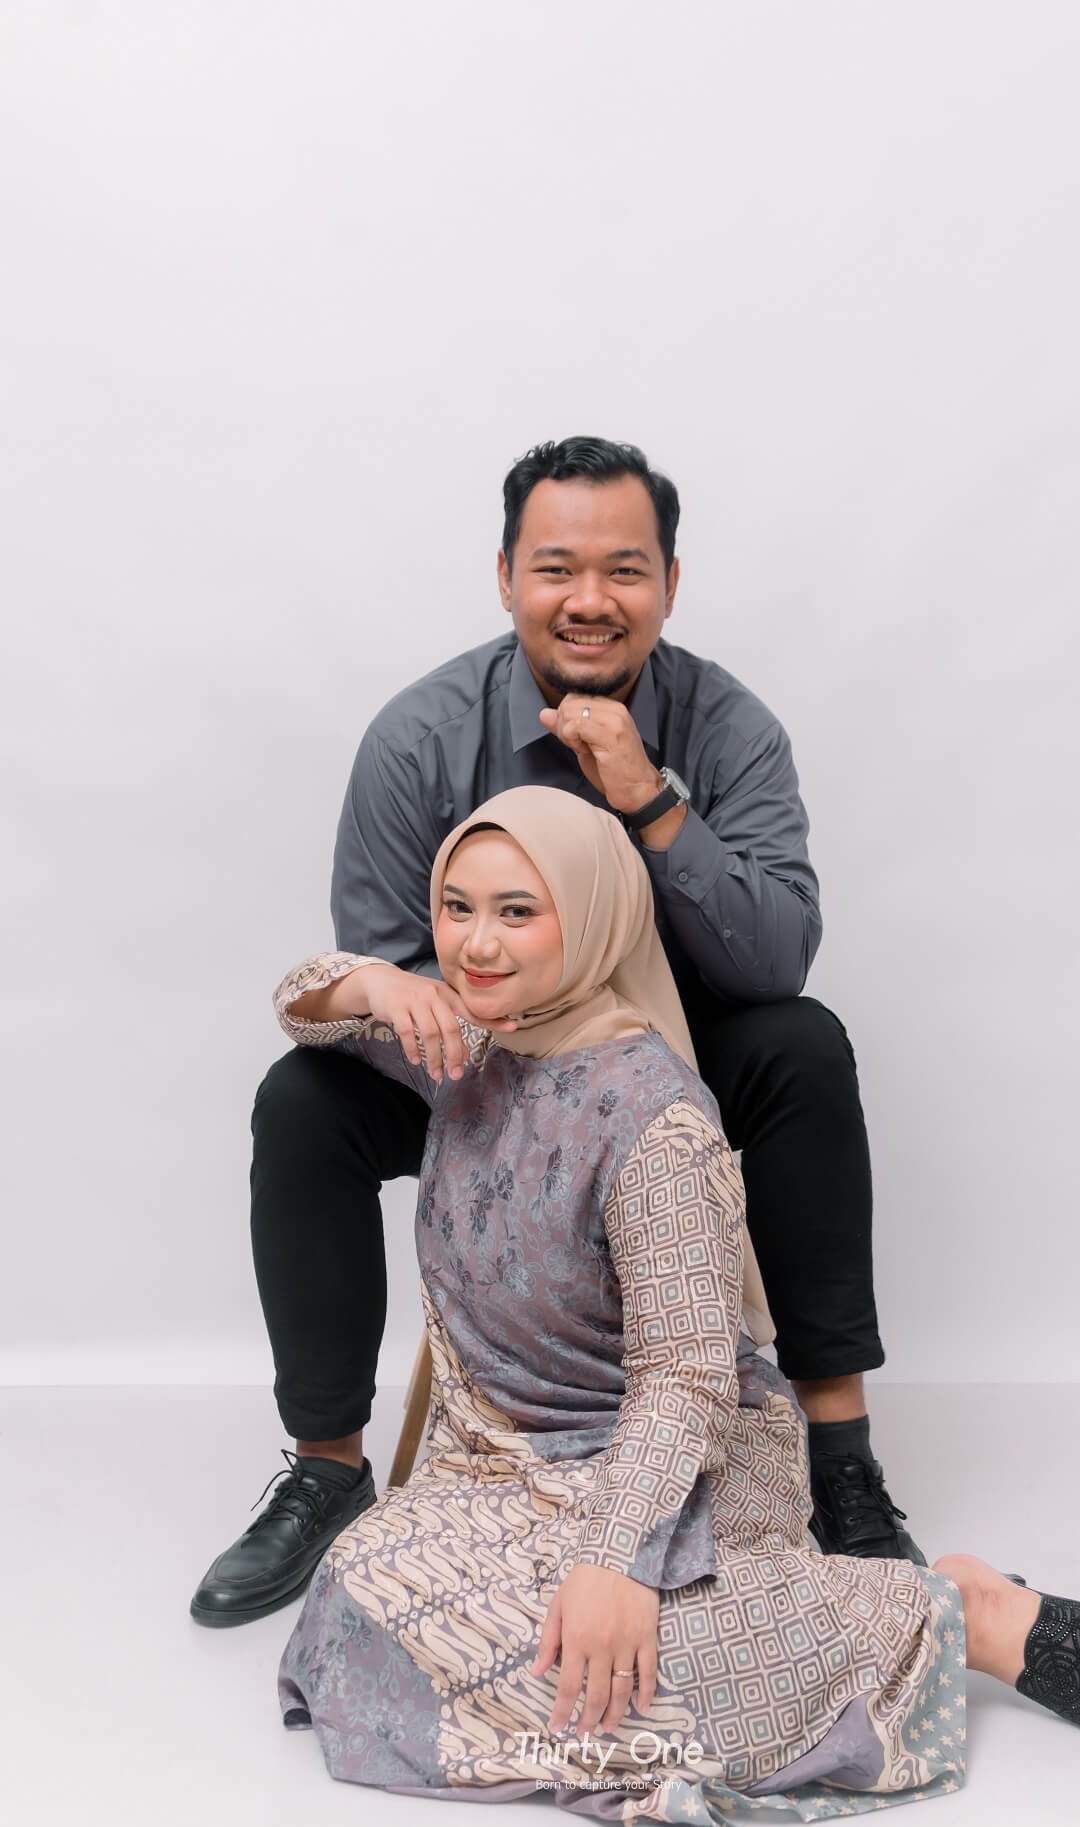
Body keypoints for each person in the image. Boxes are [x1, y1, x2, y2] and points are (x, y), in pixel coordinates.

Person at [272, 785, 1080, 1819]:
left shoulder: (657, 1121)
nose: (476, 943)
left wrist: (615, 1562)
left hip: (679, 1460)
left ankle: (951, 1613)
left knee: (663, 1652)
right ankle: (617, 1682)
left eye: (518, 911)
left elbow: (684, 1379)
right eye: (456, 907)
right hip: (504, 1472)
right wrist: (376, 981)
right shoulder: (463, 1049)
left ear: (592, 916)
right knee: (356, 1596)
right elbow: (297, 1005)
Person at [194, 433, 915, 1630]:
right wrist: (488, 1045)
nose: (590, 599)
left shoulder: (728, 728)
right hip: (480, 1070)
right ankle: (326, 1468)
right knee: (302, 1100)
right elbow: (386, 963)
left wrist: (650, 800)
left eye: (624, 570)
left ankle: (842, 1458)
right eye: (556, 569)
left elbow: (774, 956)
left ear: (669, 583)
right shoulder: (420, 736)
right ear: (505, 577)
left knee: (803, 1043)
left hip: (668, 1065)